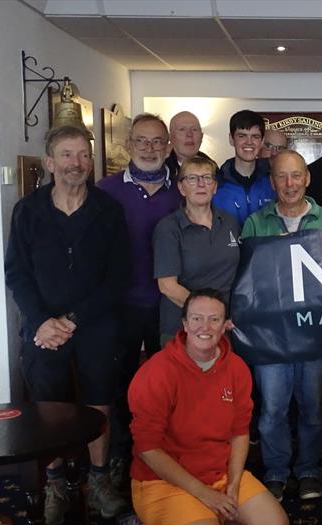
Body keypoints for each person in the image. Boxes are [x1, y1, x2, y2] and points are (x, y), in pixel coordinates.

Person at [5, 125, 131, 525]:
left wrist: (72, 321)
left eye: (82, 155)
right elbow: (17, 274)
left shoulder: (108, 210)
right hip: (42, 329)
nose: (76, 163)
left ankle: (98, 482)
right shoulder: (28, 211)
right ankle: (56, 482)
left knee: (99, 402)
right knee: (49, 408)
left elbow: (118, 277)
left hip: (95, 324)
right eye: (66, 154)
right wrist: (43, 321)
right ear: (49, 161)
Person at [121, 289, 288, 525]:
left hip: (218, 473)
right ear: (184, 324)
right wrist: (203, 495)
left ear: (225, 325)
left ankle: (209, 521)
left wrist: (233, 483)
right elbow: (147, 449)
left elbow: (239, 433)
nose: (205, 327)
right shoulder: (156, 372)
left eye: (214, 320)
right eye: (197, 318)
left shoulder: (236, 368)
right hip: (162, 481)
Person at [241, 150, 322, 501]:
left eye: (296, 175)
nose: (289, 184)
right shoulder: (256, 222)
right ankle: (276, 470)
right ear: (272, 181)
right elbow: (247, 281)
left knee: (312, 404)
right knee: (272, 408)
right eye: (282, 177)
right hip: (270, 336)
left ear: (307, 178)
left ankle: (311, 469)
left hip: (315, 333)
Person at [97, 113, 183, 487]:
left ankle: (167, 457)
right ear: (128, 145)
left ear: (168, 146)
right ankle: (121, 458)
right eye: (142, 141)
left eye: (157, 142)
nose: (150, 148)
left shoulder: (182, 189)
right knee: (121, 384)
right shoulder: (105, 190)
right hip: (121, 306)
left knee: (168, 386)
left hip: (169, 304)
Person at [153, 155, 241, 342]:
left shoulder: (230, 222)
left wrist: (221, 319)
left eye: (207, 178)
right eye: (192, 178)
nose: (201, 184)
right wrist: (210, 316)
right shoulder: (168, 228)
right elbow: (167, 286)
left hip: (223, 327)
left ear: (215, 186)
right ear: (181, 187)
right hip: (182, 328)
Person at [212, 109, 275, 225]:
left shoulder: (274, 182)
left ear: (262, 141)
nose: (249, 142)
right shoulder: (216, 184)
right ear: (231, 139)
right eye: (242, 136)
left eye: (255, 136)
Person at [166, 111, 210, 178]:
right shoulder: (160, 170)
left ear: (201, 136)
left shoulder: (212, 169)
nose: (189, 134)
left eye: (194, 129)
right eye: (182, 129)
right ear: (170, 137)